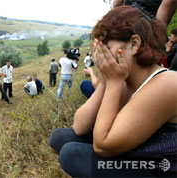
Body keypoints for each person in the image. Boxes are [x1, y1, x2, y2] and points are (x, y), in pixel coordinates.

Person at [49, 6, 177, 177]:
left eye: (105, 47)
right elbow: (79, 127)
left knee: (72, 154)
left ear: (134, 44)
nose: (100, 56)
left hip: (161, 170)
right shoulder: (127, 79)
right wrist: (104, 83)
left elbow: (103, 146)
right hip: (138, 156)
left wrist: (114, 82)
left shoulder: (166, 83)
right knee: (60, 138)